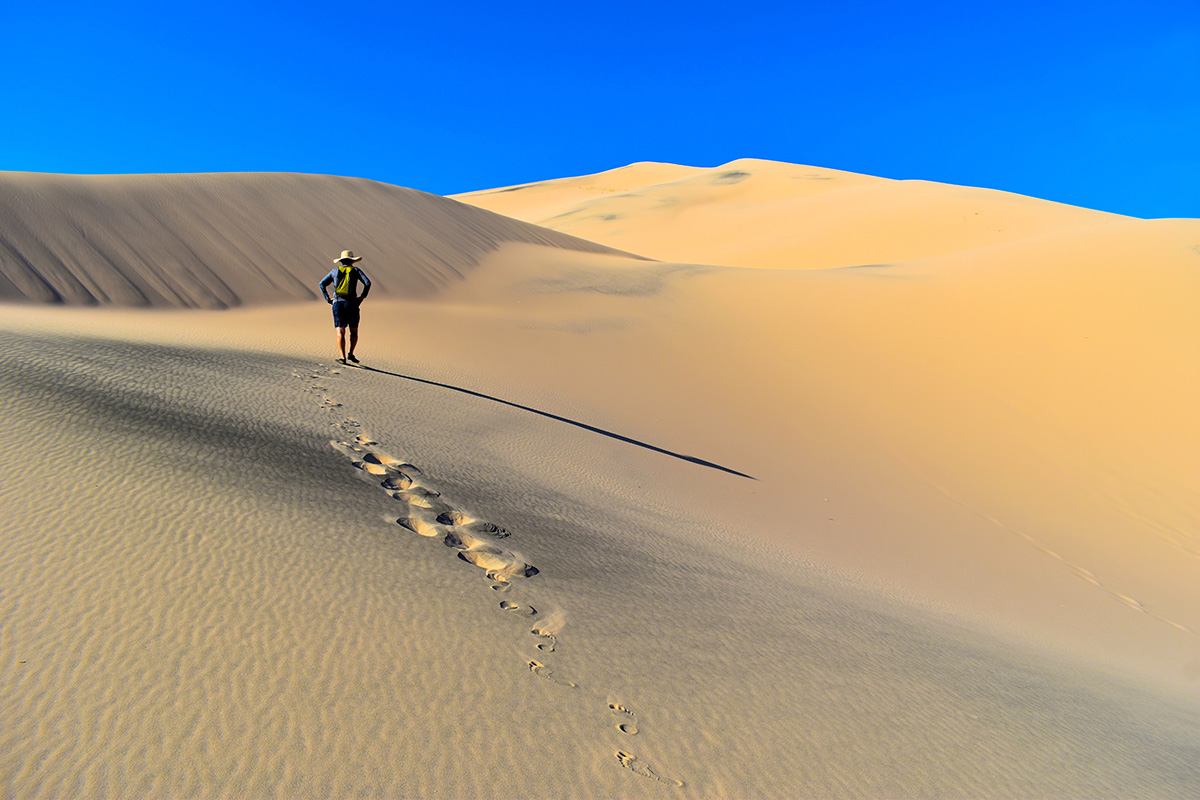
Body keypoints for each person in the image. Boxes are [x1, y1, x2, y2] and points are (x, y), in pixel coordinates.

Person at [319, 250, 372, 364]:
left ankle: (342, 358)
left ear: (341, 261)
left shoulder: (335, 271)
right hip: (352, 303)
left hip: (338, 303)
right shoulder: (356, 270)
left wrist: (328, 299)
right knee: (353, 331)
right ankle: (351, 354)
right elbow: (367, 283)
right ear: (352, 261)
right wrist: (361, 297)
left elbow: (321, 284)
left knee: (340, 331)